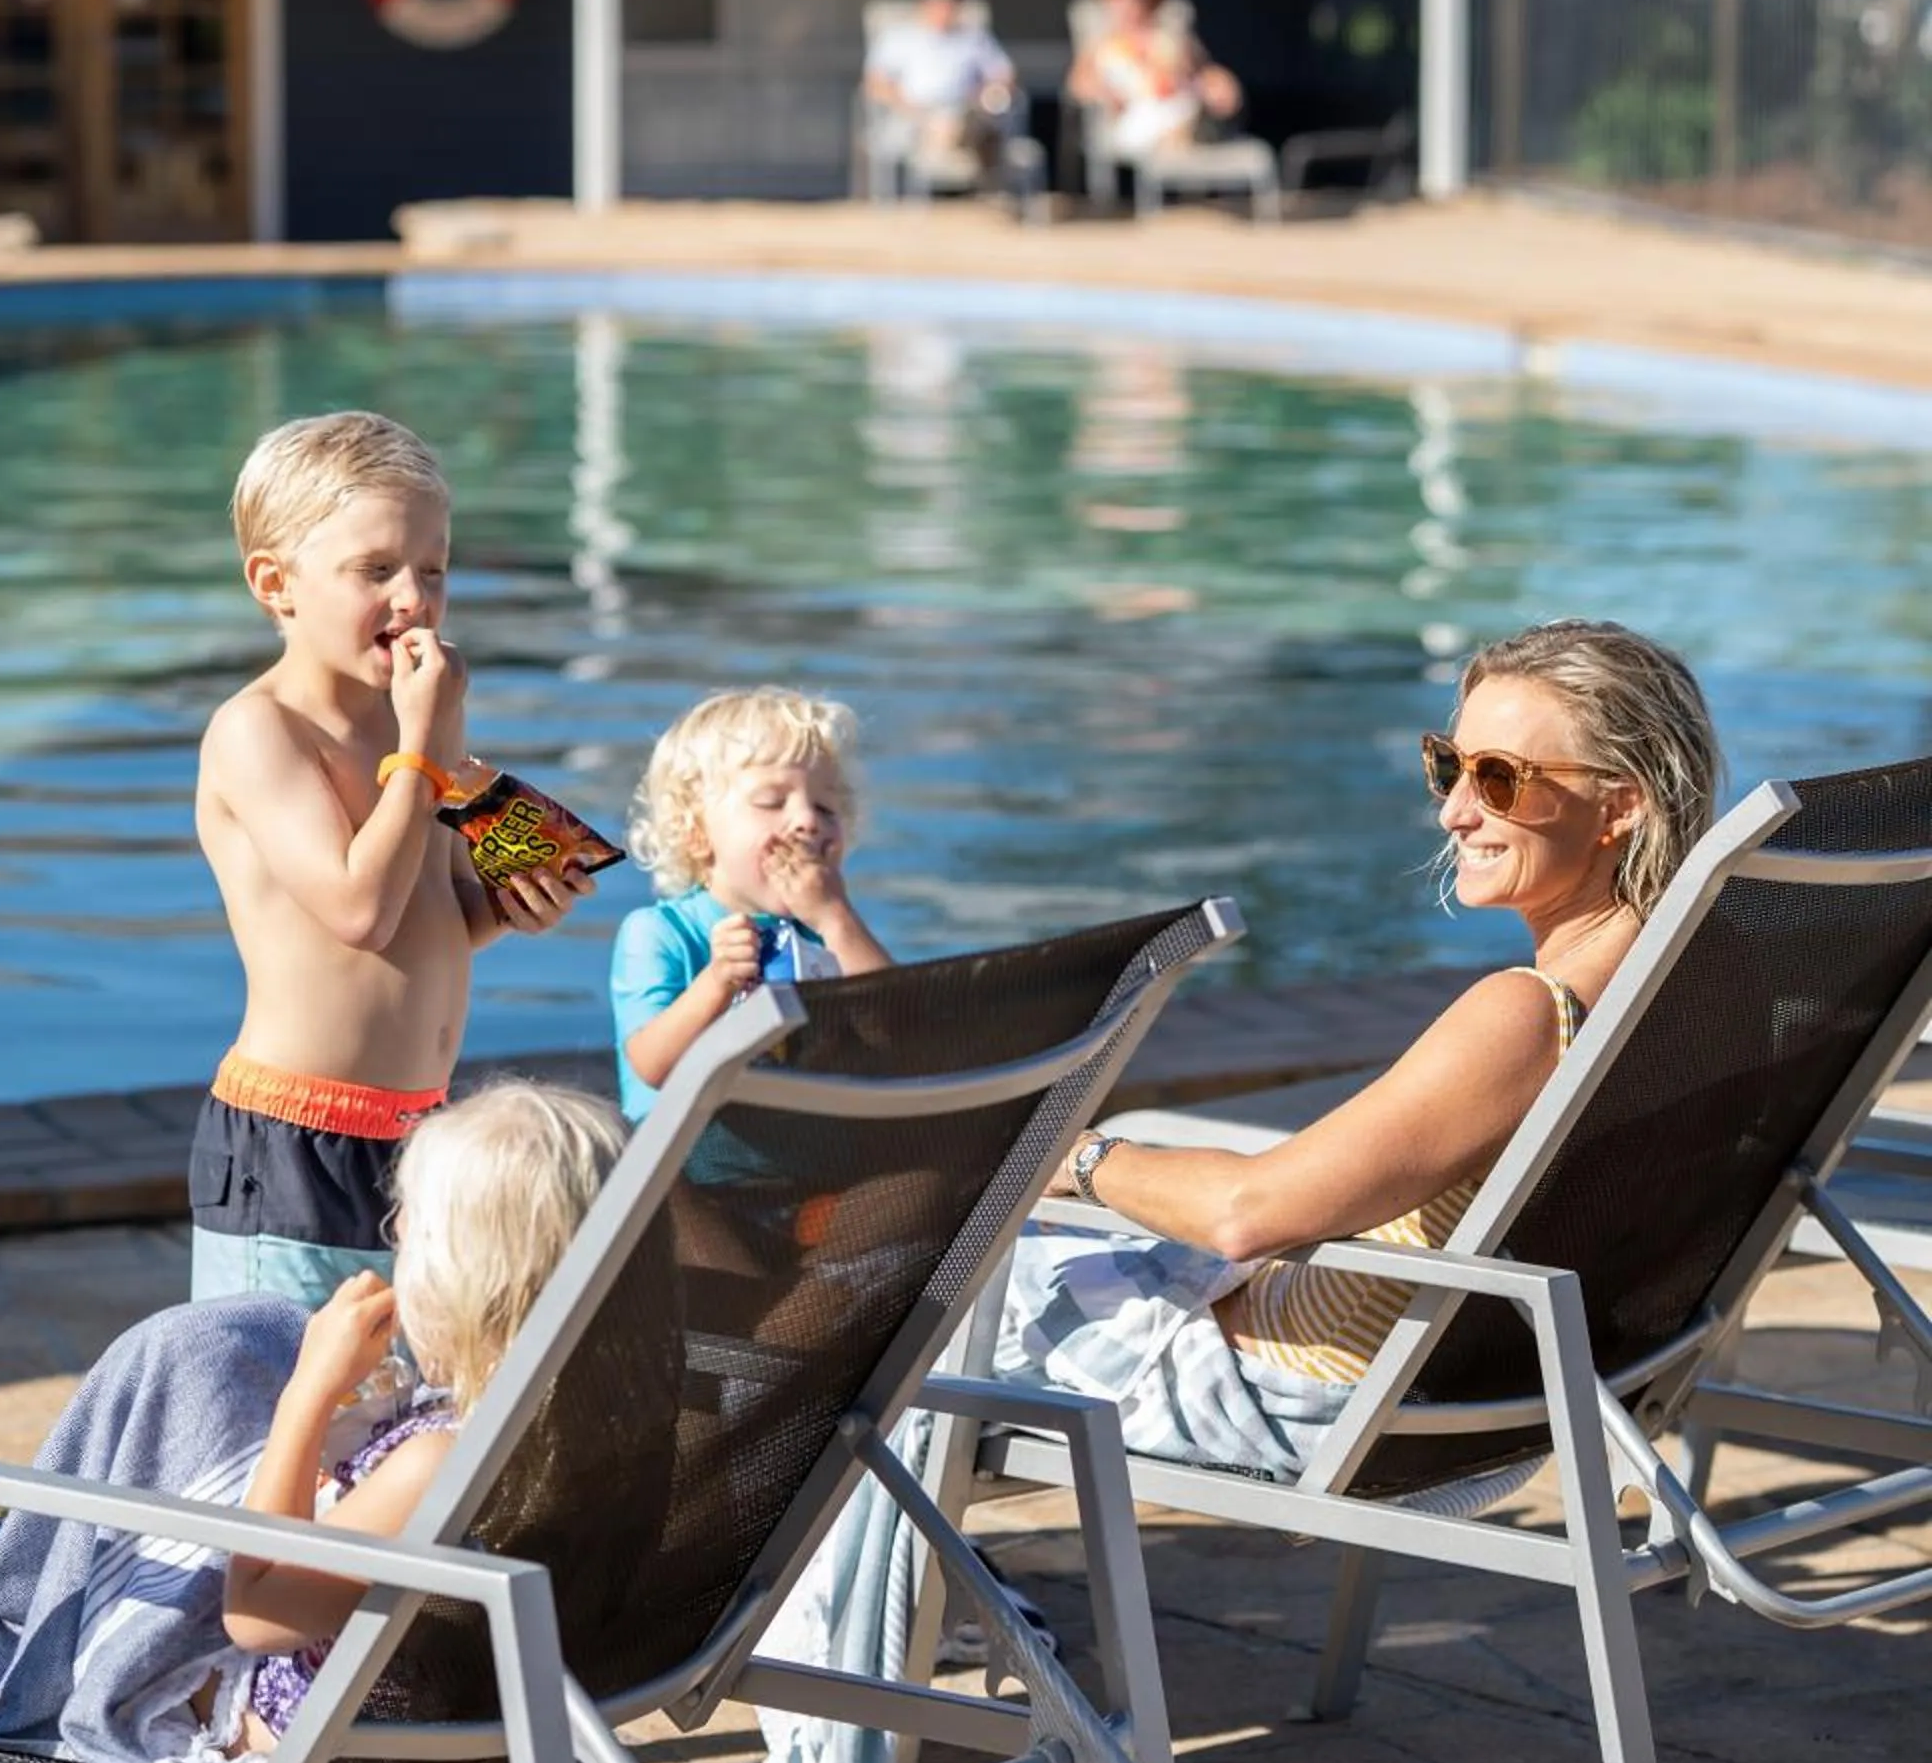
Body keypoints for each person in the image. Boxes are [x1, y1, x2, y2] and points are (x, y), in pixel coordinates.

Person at [997, 619, 1721, 1476]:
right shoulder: (1704, 994)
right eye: (1450, 766)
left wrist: (1058, 1153)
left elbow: (1246, 1216)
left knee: (877, 1298)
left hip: (1287, 1391)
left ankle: (863, 1609)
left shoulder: (1528, 1018)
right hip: (1511, 1389)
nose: (1454, 811)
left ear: (1623, 804)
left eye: (1499, 779)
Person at [0, 1081, 629, 1763]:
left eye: (409, 1231)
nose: (396, 1248)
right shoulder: (593, 1427)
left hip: (253, 1709)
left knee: (185, 1354)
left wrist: (309, 1391)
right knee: (217, 1346)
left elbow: (258, 1616)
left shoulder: (440, 1463)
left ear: (468, 1276)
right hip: (430, 1698)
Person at [190, 413, 596, 1309]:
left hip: (416, 1130)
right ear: (276, 584)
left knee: (389, 1411)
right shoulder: (259, 732)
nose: (413, 597)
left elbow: (430, 912)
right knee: (289, 1401)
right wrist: (425, 749)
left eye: (433, 569)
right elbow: (357, 911)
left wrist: (510, 904)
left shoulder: (413, 724)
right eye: (375, 571)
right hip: (295, 1138)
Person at [609, 686, 890, 1121]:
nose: (806, 820)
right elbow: (652, 1064)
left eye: (826, 807)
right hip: (685, 1167)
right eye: (771, 802)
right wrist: (717, 981)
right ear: (696, 834)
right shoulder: (659, 931)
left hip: (804, 1155)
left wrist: (836, 918)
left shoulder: (832, 933)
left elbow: (903, 1032)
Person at [1067, 0, 1243, 162]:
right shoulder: (1101, 43)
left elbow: (1200, 71)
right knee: (1169, 118)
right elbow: (1078, 86)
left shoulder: (1168, 36)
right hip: (1135, 116)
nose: (1126, 5)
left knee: (1205, 97)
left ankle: (1197, 132)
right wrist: (1105, 94)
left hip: (1176, 101)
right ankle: (1192, 135)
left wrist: (1218, 81)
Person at [861, 0, 1017, 172]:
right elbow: (874, 84)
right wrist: (910, 108)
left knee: (976, 124)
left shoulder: (973, 38)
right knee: (943, 127)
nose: (945, 13)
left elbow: (1002, 74)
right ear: (924, 7)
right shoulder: (899, 38)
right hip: (913, 114)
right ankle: (954, 151)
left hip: (966, 109)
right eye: (939, 6)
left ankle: (964, 149)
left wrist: (990, 94)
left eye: (950, 7)